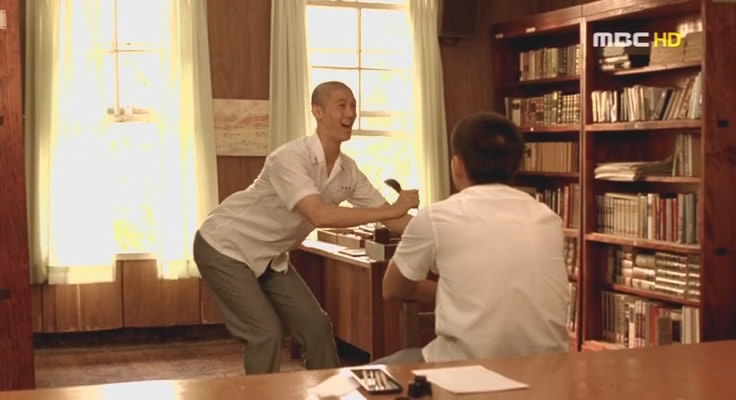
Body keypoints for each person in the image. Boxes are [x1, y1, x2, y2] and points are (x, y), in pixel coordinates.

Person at [193, 81, 419, 374]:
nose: (350, 113)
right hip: (224, 246)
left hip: (270, 257)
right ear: (317, 112)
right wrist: (393, 209)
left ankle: (330, 392)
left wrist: (440, 229)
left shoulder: (348, 170)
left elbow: (393, 219)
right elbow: (319, 214)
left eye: (353, 105)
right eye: (342, 105)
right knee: (265, 333)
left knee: (316, 327)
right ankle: (259, 396)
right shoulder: (289, 158)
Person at [376, 111, 569, 364]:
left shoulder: (436, 217)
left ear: (457, 165)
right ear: (517, 165)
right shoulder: (547, 218)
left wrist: (456, 294)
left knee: (360, 378)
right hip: (548, 369)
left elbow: (392, 288)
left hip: (463, 368)